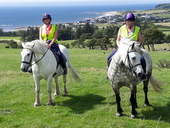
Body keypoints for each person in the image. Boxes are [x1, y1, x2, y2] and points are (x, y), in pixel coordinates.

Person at [107, 12, 146, 80]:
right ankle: (110, 73)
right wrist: (119, 46)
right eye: (128, 21)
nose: (129, 22)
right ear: (125, 21)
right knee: (109, 57)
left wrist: (136, 46)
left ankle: (143, 74)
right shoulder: (121, 28)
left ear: (133, 21)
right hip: (122, 48)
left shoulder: (137, 29)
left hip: (133, 48)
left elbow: (140, 40)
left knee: (142, 59)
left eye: (131, 21)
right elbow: (118, 39)